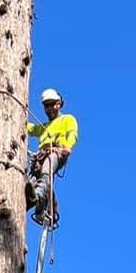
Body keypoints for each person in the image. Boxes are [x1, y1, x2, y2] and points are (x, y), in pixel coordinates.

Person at [26, 87, 78, 221]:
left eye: (51, 104)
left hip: (57, 152)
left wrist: (68, 146)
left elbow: (72, 133)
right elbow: (30, 128)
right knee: (30, 181)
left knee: (46, 173)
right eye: (46, 105)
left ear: (58, 104)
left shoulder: (67, 119)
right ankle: (41, 206)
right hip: (41, 157)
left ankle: (37, 196)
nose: (48, 108)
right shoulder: (45, 126)